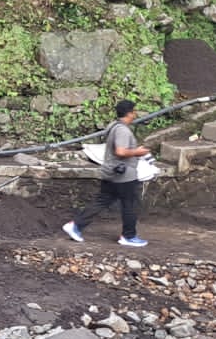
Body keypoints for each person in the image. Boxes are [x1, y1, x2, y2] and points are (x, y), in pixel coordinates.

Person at [64, 99, 152, 247]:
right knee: (130, 204)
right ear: (129, 113)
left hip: (111, 172)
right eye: (134, 111)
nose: (136, 114)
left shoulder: (113, 126)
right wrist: (137, 152)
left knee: (102, 201)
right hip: (123, 175)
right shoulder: (122, 130)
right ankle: (128, 236)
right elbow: (120, 151)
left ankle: (76, 226)